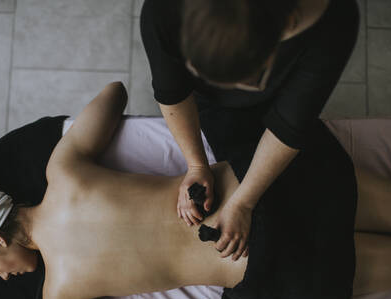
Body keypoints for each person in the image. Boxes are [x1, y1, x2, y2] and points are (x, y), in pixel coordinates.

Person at [0, 83, 391, 299]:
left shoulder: (60, 295)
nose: (4, 277)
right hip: (258, 182)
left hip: (266, 262)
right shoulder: (64, 170)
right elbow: (114, 94)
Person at [140, 0, 359, 266]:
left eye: (247, 81)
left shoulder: (335, 21)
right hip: (217, 106)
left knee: (318, 187)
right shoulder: (162, 10)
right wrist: (196, 164)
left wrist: (243, 203)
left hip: (278, 99)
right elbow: (172, 91)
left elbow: (290, 124)